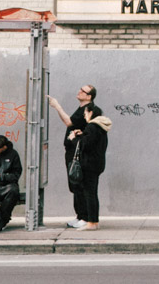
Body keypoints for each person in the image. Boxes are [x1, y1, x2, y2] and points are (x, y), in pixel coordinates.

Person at [49, 84, 112, 230]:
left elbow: (83, 140)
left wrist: (57, 106)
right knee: (78, 187)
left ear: (89, 97)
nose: (79, 91)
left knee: (86, 190)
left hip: (87, 161)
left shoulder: (93, 125)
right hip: (85, 159)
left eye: (83, 91)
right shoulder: (92, 124)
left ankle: (88, 219)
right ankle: (82, 216)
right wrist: (80, 135)